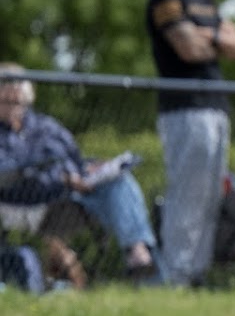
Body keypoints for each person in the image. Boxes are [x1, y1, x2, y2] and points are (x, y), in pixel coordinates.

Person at [145, 0, 235, 286]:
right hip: (184, 108)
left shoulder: (208, 1)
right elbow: (189, 49)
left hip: (216, 107)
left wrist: (206, 34)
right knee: (187, 193)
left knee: (211, 195)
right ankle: (175, 274)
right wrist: (216, 37)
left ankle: (196, 274)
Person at [0, 66, 158, 282]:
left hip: (67, 199)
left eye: (18, 99)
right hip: (25, 204)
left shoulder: (46, 126)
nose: (14, 102)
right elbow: (9, 174)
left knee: (119, 181)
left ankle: (139, 255)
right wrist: (62, 178)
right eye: (7, 97)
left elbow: (73, 158)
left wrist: (88, 170)